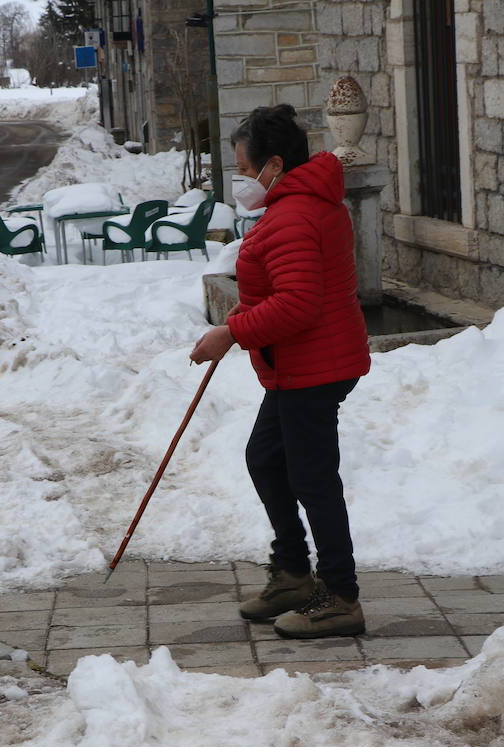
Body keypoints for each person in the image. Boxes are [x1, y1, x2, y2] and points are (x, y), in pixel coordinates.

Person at [189, 104, 371, 640]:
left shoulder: (295, 214)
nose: (243, 181)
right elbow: (285, 293)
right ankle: (293, 572)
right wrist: (243, 320)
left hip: (314, 364)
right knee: (268, 459)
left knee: (313, 479)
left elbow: (297, 305)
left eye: (245, 170)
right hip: (306, 361)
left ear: (273, 164)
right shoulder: (300, 203)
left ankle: (340, 597)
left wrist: (231, 331)